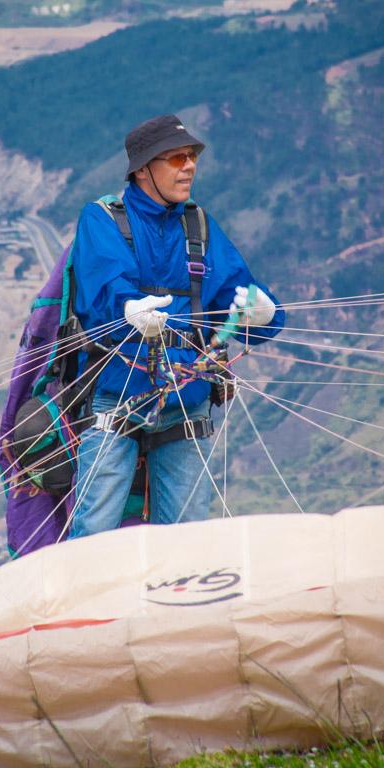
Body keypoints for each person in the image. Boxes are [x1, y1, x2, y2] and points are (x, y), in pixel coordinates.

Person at [68, 114, 285, 539]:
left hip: (188, 399)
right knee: (93, 536)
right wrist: (127, 311)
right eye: (176, 158)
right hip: (117, 393)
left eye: (192, 157)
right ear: (143, 169)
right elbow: (104, 289)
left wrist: (266, 316)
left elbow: (238, 299)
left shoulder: (198, 226)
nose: (189, 166)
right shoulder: (103, 220)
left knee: (185, 542)